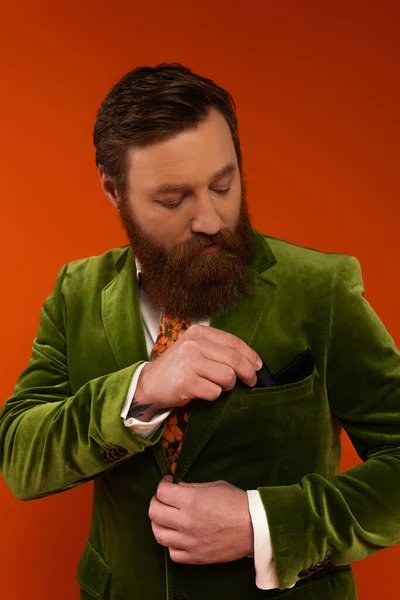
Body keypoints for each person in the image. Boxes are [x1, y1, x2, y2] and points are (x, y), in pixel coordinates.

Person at [1, 62, 400, 600]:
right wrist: (140, 391)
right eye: (173, 199)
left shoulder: (320, 290)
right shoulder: (76, 291)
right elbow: (20, 460)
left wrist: (262, 523)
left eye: (223, 184)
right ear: (113, 191)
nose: (211, 219)